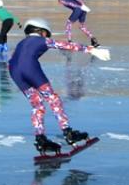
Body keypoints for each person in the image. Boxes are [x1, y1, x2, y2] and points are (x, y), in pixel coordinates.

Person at [8, 18, 110, 153]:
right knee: (53, 99)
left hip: (14, 71)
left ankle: (40, 139)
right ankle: (68, 132)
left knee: (37, 105)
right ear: (41, 31)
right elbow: (65, 45)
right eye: (46, 33)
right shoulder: (41, 40)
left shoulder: (22, 43)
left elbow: (14, 57)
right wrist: (91, 50)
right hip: (30, 69)